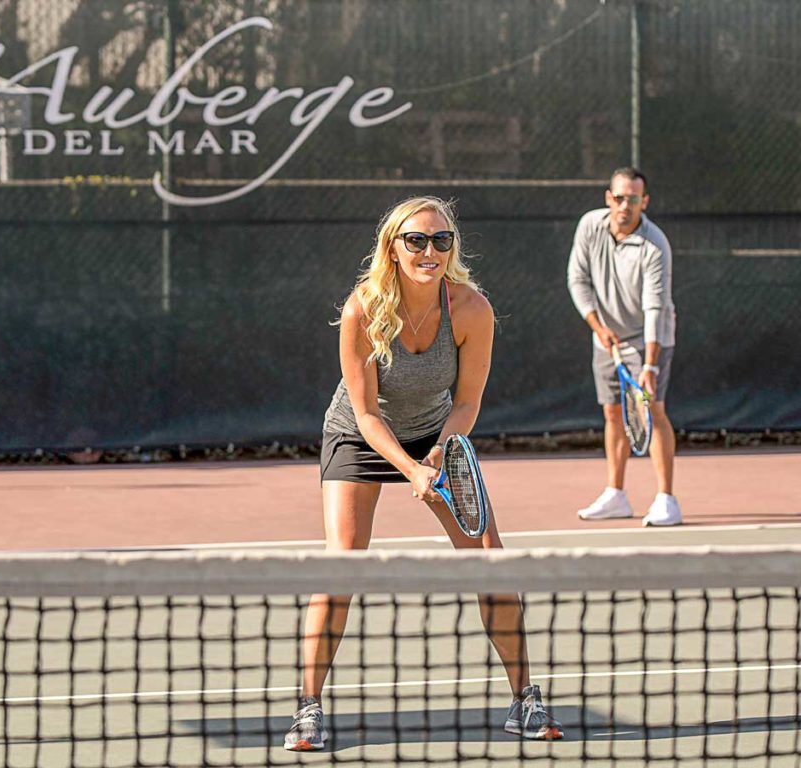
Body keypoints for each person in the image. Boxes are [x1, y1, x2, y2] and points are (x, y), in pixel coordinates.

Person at [283, 196, 563, 751]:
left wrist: (436, 454)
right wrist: (408, 468)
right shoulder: (363, 309)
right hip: (359, 435)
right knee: (341, 566)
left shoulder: (472, 310)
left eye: (442, 240)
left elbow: (468, 401)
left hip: (439, 433)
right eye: (417, 240)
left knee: (489, 561)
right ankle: (308, 709)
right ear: (393, 246)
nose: (430, 250)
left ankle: (524, 698)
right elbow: (365, 412)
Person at [567, 167, 681, 526]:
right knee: (613, 414)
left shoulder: (655, 245)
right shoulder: (589, 226)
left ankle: (666, 499)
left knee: (654, 409)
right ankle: (616, 494)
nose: (624, 205)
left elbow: (655, 307)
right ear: (608, 198)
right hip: (606, 336)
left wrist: (650, 365)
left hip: (649, 338)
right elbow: (577, 279)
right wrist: (598, 327)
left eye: (633, 199)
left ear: (644, 202)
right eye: (619, 197)